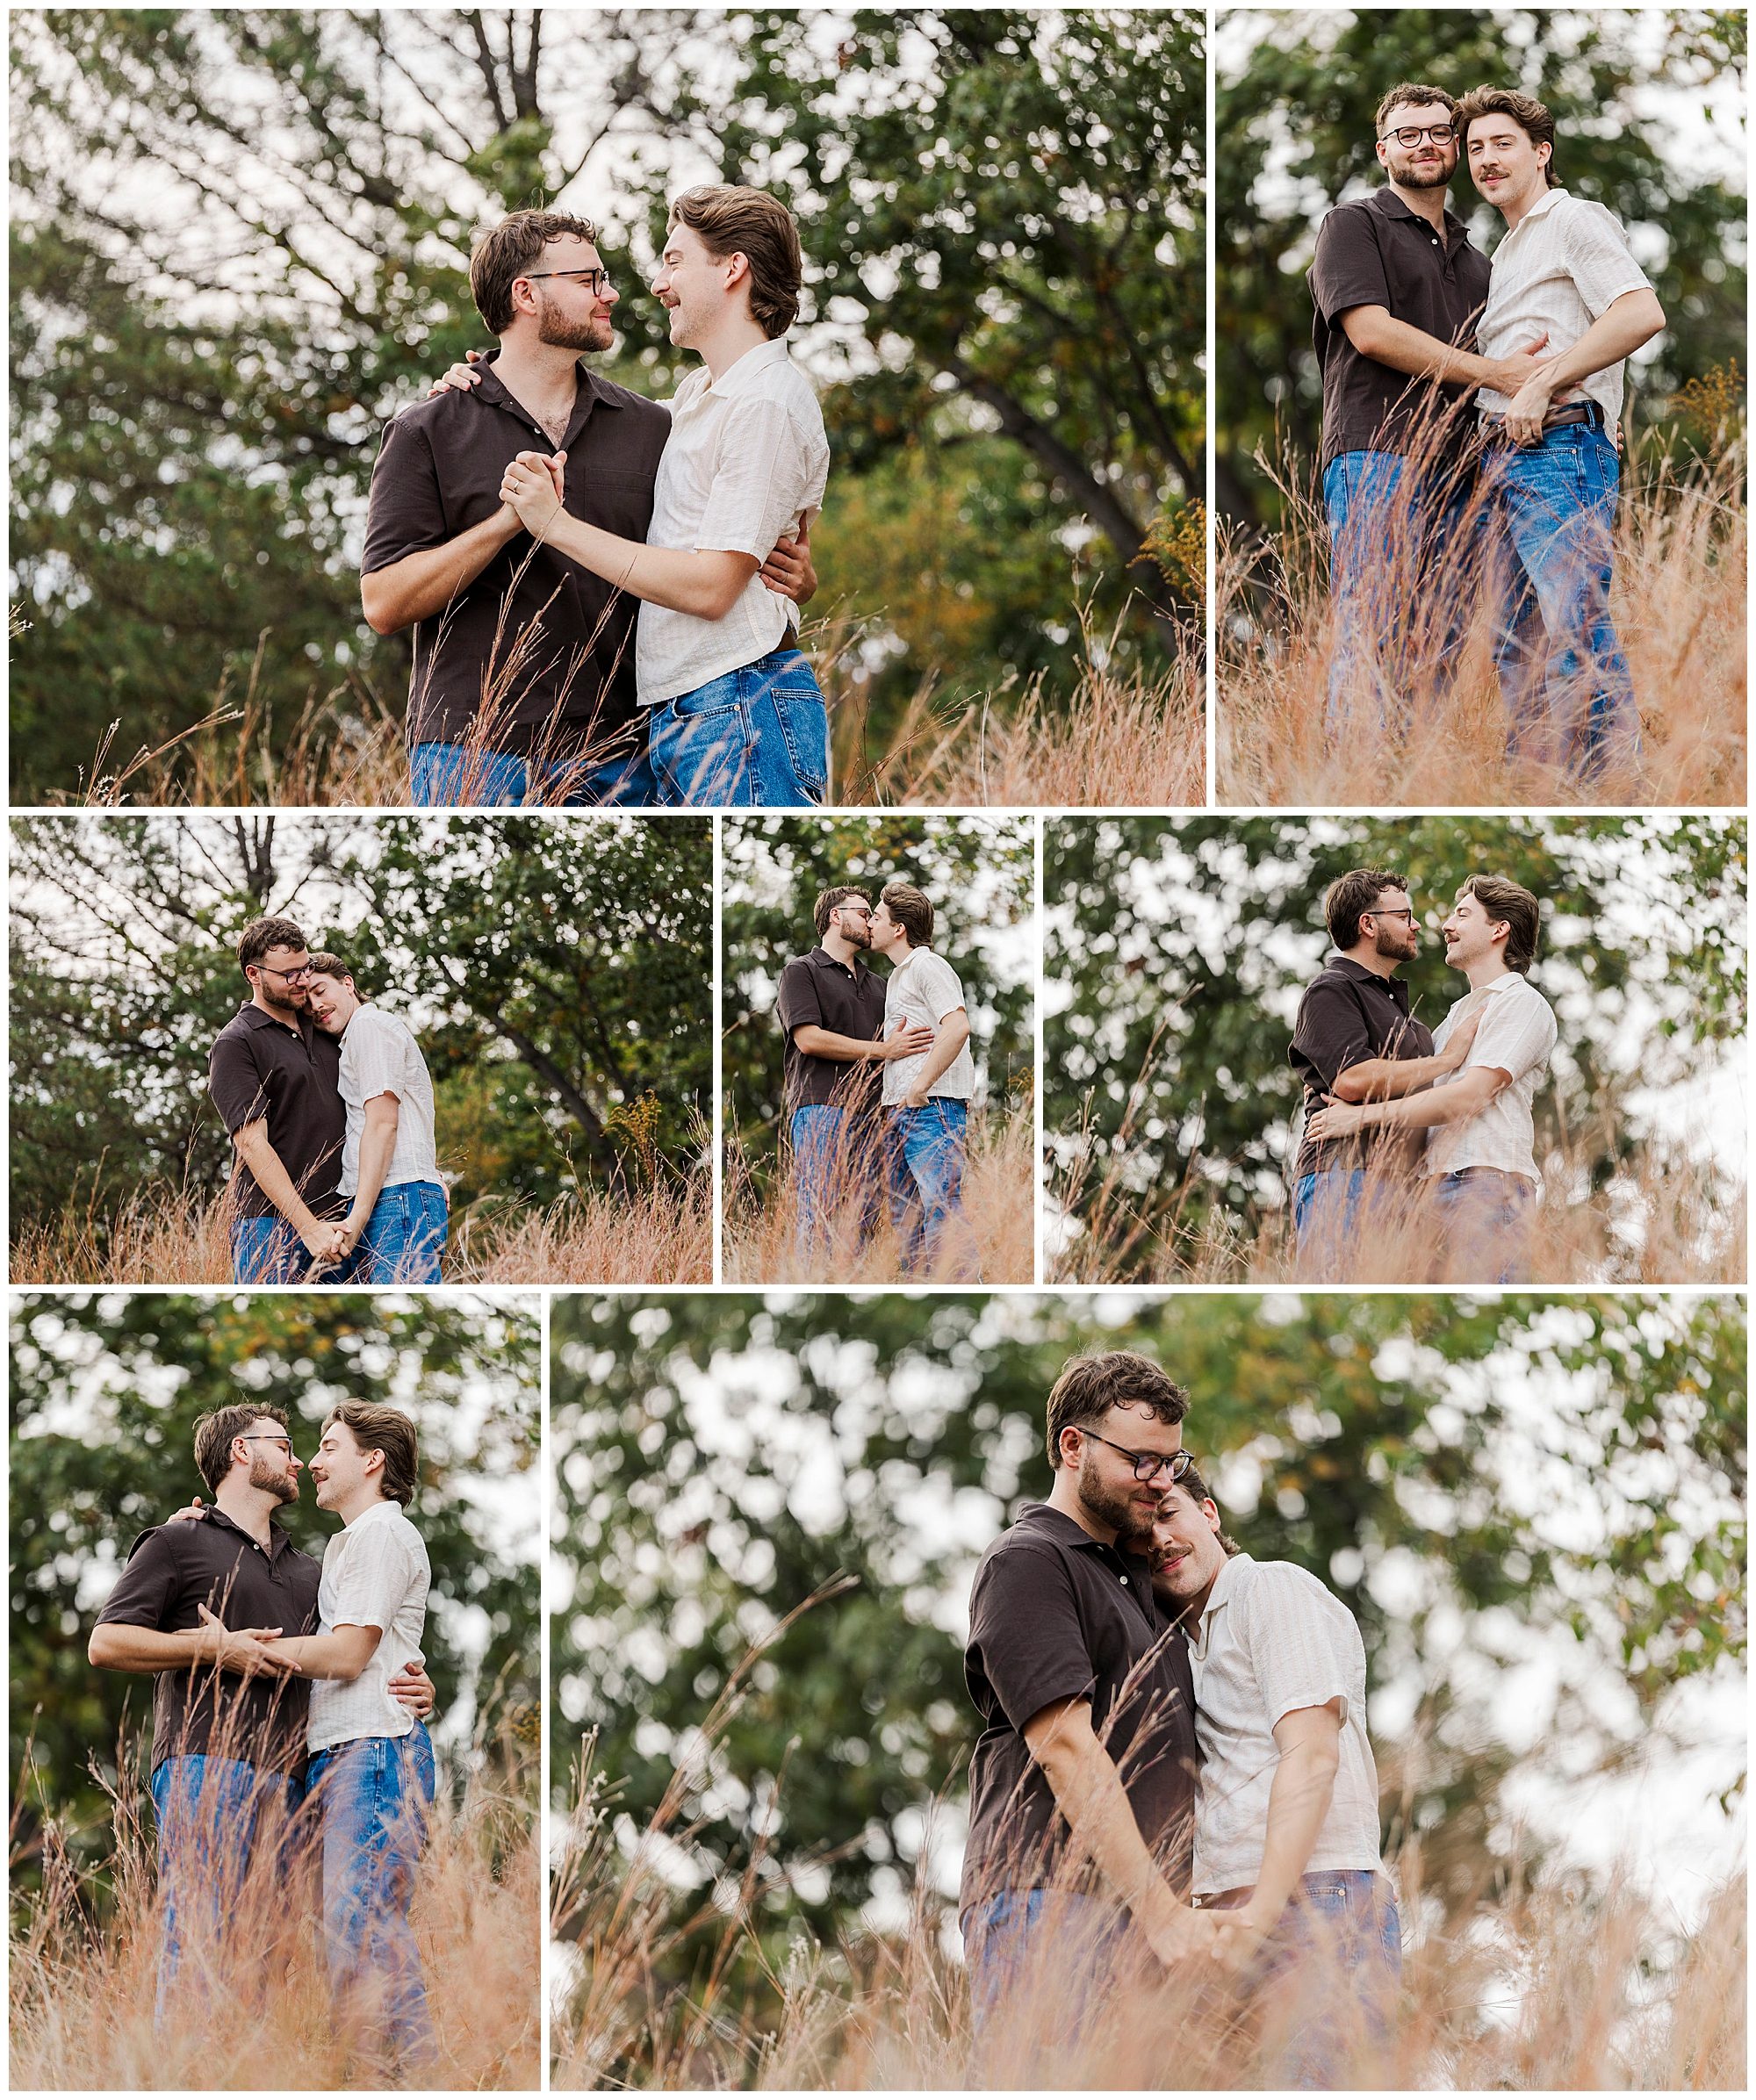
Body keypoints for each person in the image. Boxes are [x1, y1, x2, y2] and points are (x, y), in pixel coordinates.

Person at [362, 206, 816, 807]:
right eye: (588, 281)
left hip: (624, 755)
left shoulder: (654, 425)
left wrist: (795, 582)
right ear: (525, 294)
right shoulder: (430, 428)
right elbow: (385, 604)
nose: (614, 293)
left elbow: (731, 524)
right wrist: (506, 525)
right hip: (471, 750)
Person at [87, 1406, 433, 2034]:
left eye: (318, 1448)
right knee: (198, 1944)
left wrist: (411, 1675)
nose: (301, 1460)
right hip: (205, 1765)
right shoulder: (177, 1540)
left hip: (299, 1784)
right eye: (287, 1445)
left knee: (266, 1964)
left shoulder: (311, 1572)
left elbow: (353, 1649)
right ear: (242, 1452)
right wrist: (211, 1646)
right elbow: (107, 1643)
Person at [960, 1353, 1213, 2049]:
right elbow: (1065, 1747)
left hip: (1143, 1920)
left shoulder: (1143, 1578)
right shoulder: (1030, 1560)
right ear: (1074, 1446)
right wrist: (1163, 1915)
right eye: (1141, 1460)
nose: (1159, 1481)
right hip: (1049, 1900)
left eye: (1171, 1462)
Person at [1145, 1468, 1401, 2090]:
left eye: (1167, 1512)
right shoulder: (1191, 1642)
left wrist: (1261, 1912)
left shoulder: (1271, 1590)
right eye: (1139, 1534)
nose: (1156, 1538)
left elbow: (1312, 1755)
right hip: (1240, 1915)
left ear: (1209, 1513)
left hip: (1315, 1899)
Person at [1308, 83, 1537, 732]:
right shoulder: (1354, 225)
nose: (1426, 144)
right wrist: (1495, 371)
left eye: (1440, 132)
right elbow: (1372, 333)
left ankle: (1411, 781)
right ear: (1384, 150)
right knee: (1373, 627)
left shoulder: (1479, 261)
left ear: (1456, 150)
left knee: (1441, 641)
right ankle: (1353, 784)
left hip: (1462, 472)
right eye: (1409, 134)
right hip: (1377, 453)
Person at [1454, 87, 1662, 778]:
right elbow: (1587, 329)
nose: (1486, 159)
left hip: (1557, 449)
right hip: (1503, 460)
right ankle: (1542, 781)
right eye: (1475, 148)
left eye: (1502, 143)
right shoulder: (1508, 247)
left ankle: (1611, 783)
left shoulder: (1572, 218)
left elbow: (1637, 313)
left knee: (1574, 625)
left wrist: (1550, 387)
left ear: (1542, 153)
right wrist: (1610, 395)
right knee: (1517, 645)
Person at [244, 1405, 439, 2079]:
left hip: (374, 1751)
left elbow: (353, 1654)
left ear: (373, 1461)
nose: (314, 1462)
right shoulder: (347, 1543)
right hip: (341, 1753)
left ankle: (418, 2078)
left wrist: (243, 1652)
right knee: (343, 1940)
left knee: (365, 1934)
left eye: (328, 1447)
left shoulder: (383, 1534)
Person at [1306, 874, 1557, 1280]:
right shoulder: (1453, 1020)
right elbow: (1409, 1082)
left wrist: (1360, 1117)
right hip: (1427, 1195)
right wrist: (1337, 1082)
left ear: (1499, 929)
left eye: (1462, 914)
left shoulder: (1521, 1003)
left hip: (1485, 1185)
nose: (1444, 925)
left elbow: (1466, 1098)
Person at [1288, 867, 1481, 1280]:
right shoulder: (1332, 988)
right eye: (1404, 915)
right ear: (1368, 924)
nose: (1415, 926)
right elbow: (1351, 1079)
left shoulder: (1404, 1013)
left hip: (1407, 1189)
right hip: (1344, 1175)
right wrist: (1446, 1060)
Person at [774, 887, 933, 1271]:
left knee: (861, 1223)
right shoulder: (801, 971)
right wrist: (883, 1051)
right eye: (865, 913)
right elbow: (809, 1039)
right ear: (835, 916)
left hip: (874, 1118)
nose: (871, 921)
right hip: (820, 1110)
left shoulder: (882, 985)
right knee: (821, 1216)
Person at [208, 917, 351, 1284]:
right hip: (270, 1227)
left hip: (343, 1224)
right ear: (254, 974)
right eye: (289, 974)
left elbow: (379, 1105)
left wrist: (422, 1173)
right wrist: (306, 1226)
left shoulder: (326, 1026)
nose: (303, 981)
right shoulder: (236, 1043)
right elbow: (252, 1145)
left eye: (305, 968)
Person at [306, 955, 449, 1284]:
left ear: (347, 983)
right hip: (395, 1196)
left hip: (398, 1197)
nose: (315, 1005)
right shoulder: (359, 1035)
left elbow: (384, 1123)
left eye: (320, 990)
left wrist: (356, 1219)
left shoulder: (370, 1027)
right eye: (308, 1001)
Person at [867, 882, 981, 1278]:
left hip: (930, 1108)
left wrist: (920, 1088)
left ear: (898, 928)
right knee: (907, 1220)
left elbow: (958, 1026)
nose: (870, 923)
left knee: (941, 1208)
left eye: (876, 917)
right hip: (901, 1111)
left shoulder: (927, 966)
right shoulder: (900, 976)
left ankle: (964, 1285)